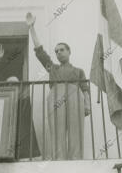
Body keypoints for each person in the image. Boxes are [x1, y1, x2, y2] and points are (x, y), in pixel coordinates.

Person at [26, 12, 90, 160]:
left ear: (69, 51)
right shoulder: (53, 68)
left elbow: (85, 89)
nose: (59, 53)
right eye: (56, 51)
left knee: (76, 130)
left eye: (62, 50)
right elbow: (40, 52)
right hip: (56, 95)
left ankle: (76, 159)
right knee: (56, 129)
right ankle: (59, 160)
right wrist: (32, 28)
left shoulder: (78, 71)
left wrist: (87, 105)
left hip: (75, 96)